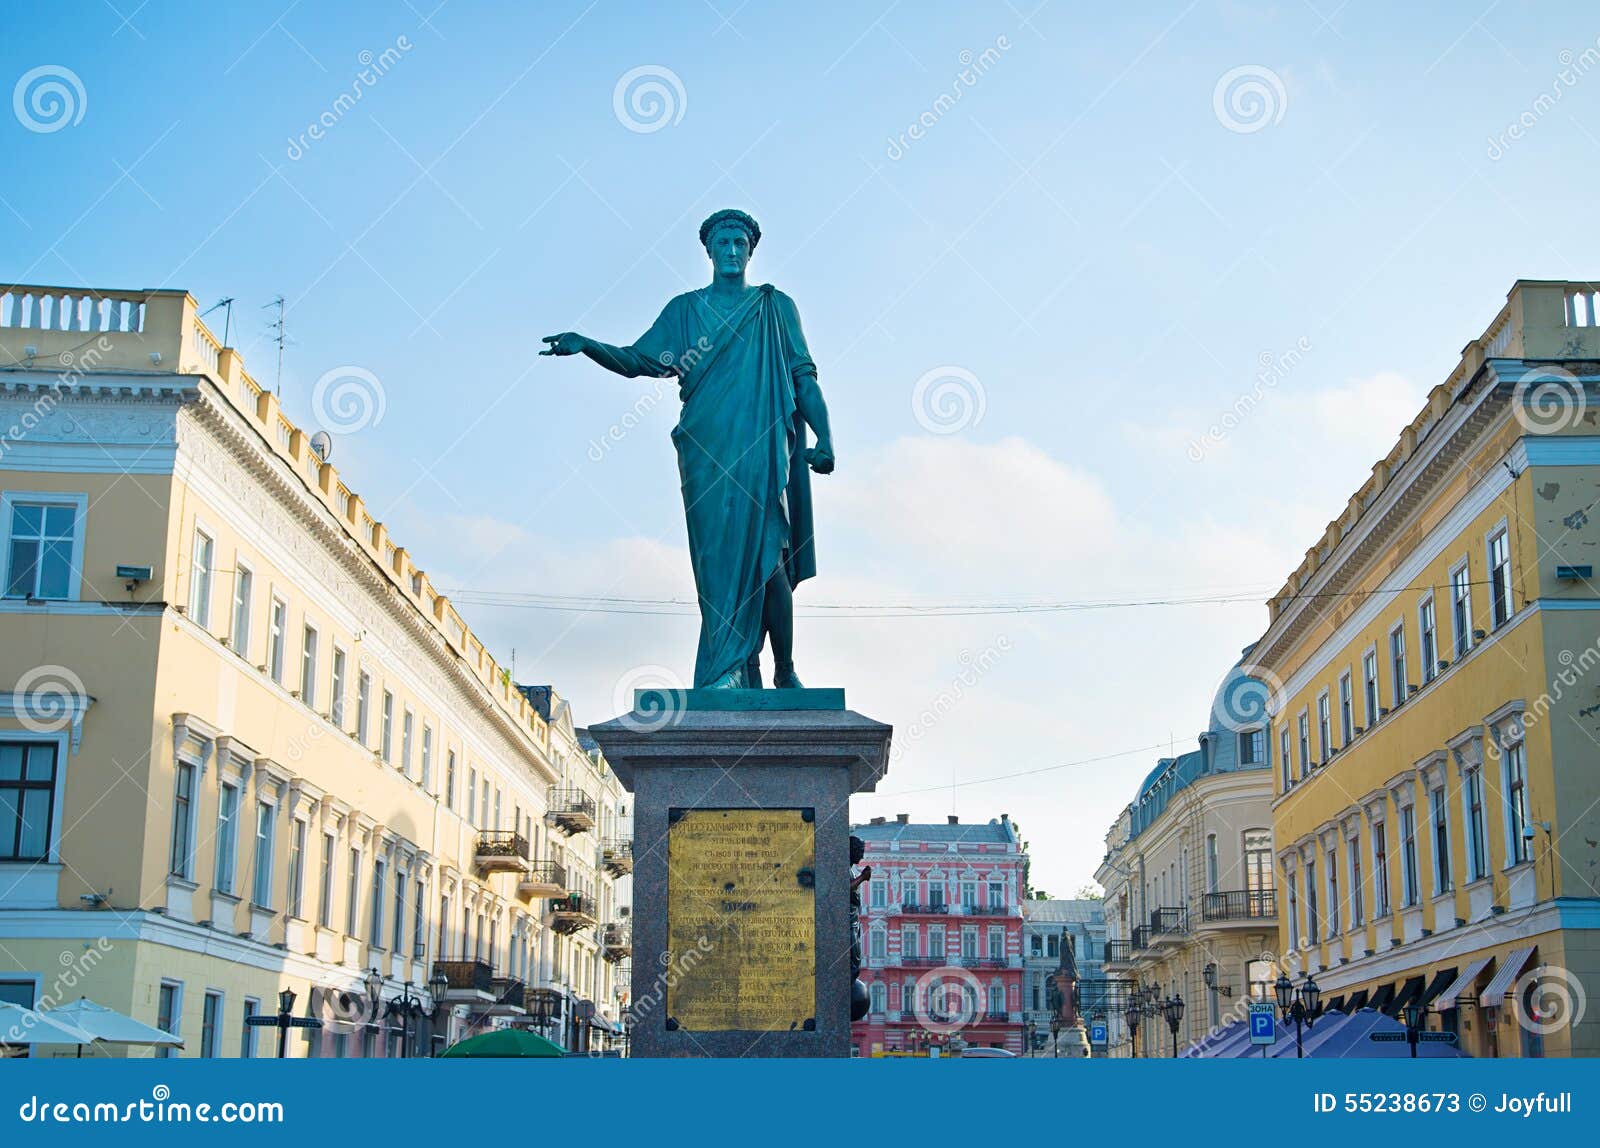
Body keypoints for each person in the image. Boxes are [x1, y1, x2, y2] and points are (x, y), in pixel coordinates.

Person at [542, 209, 834, 689]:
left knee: (769, 556)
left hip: (761, 447)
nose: (732, 252)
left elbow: (804, 377)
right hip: (707, 452)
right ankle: (734, 668)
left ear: (751, 250)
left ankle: (784, 669)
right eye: (724, 244)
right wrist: (586, 344)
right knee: (717, 564)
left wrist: (826, 437)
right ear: (709, 251)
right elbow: (639, 360)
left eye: (740, 243)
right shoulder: (685, 310)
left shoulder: (774, 307)